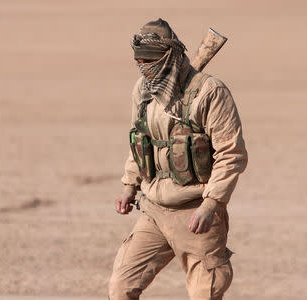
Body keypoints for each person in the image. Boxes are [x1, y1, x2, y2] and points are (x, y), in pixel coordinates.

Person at [108, 19, 248, 300]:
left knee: (204, 293)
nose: (144, 66)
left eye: (150, 60)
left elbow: (230, 154)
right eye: (139, 60)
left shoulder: (209, 92)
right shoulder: (144, 90)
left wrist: (211, 204)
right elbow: (140, 141)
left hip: (196, 212)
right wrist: (129, 187)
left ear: (169, 55)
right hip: (153, 209)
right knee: (121, 289)